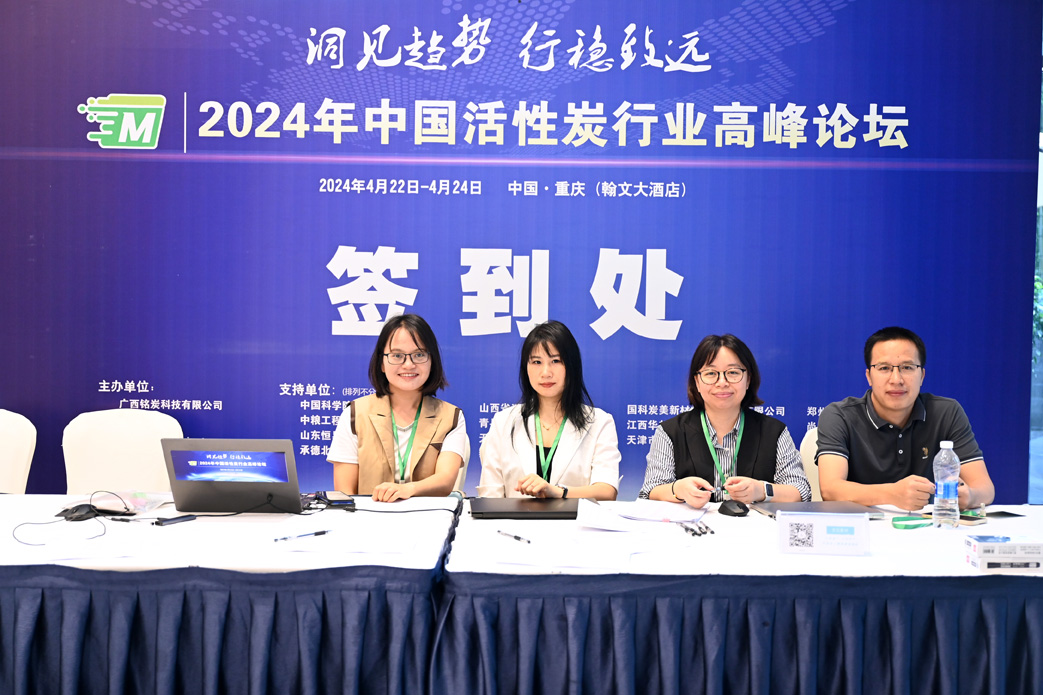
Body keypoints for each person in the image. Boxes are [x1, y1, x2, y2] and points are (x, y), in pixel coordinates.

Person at [816, 326, 994, 511]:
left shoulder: (947, 412)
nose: (896, 379)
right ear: (869, 376)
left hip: (928, 525)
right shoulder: (840, 416)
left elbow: (985, 488)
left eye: (907, 368)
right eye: (884, 368)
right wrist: (892, 494)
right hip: (864, 526)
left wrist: (970, 496)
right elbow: (830, 489)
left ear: (922, 375)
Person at [639, 334, 811, 506]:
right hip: (694, 523)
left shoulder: (774, 432)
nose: (722, 382)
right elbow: (650, 490)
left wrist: (761, 490)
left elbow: (801, 491)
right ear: (697, 382)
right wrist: (678, 489)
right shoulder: (670, 432)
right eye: (711, 373)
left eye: (733, 373)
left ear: (748, 380)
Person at [327, 314, 467, 502]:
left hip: (428, 517)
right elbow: (345, 492)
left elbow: (445, 480)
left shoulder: (451, 417)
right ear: (381, 363)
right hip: (367, 517)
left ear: (432, 361)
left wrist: (407, 489)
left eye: (419, 355)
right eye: (397, 356)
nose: (408, 364)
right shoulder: (354, 414)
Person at [477, 321, 620, 500]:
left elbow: (607, 492)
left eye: (555, 361)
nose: (545, 372)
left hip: (575, 518)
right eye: (537, 362)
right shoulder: (503, 421)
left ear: (572, 366)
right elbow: (490, 496)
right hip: (513, 518)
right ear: (525, 368)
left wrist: (558, 492)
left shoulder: (599, 422)